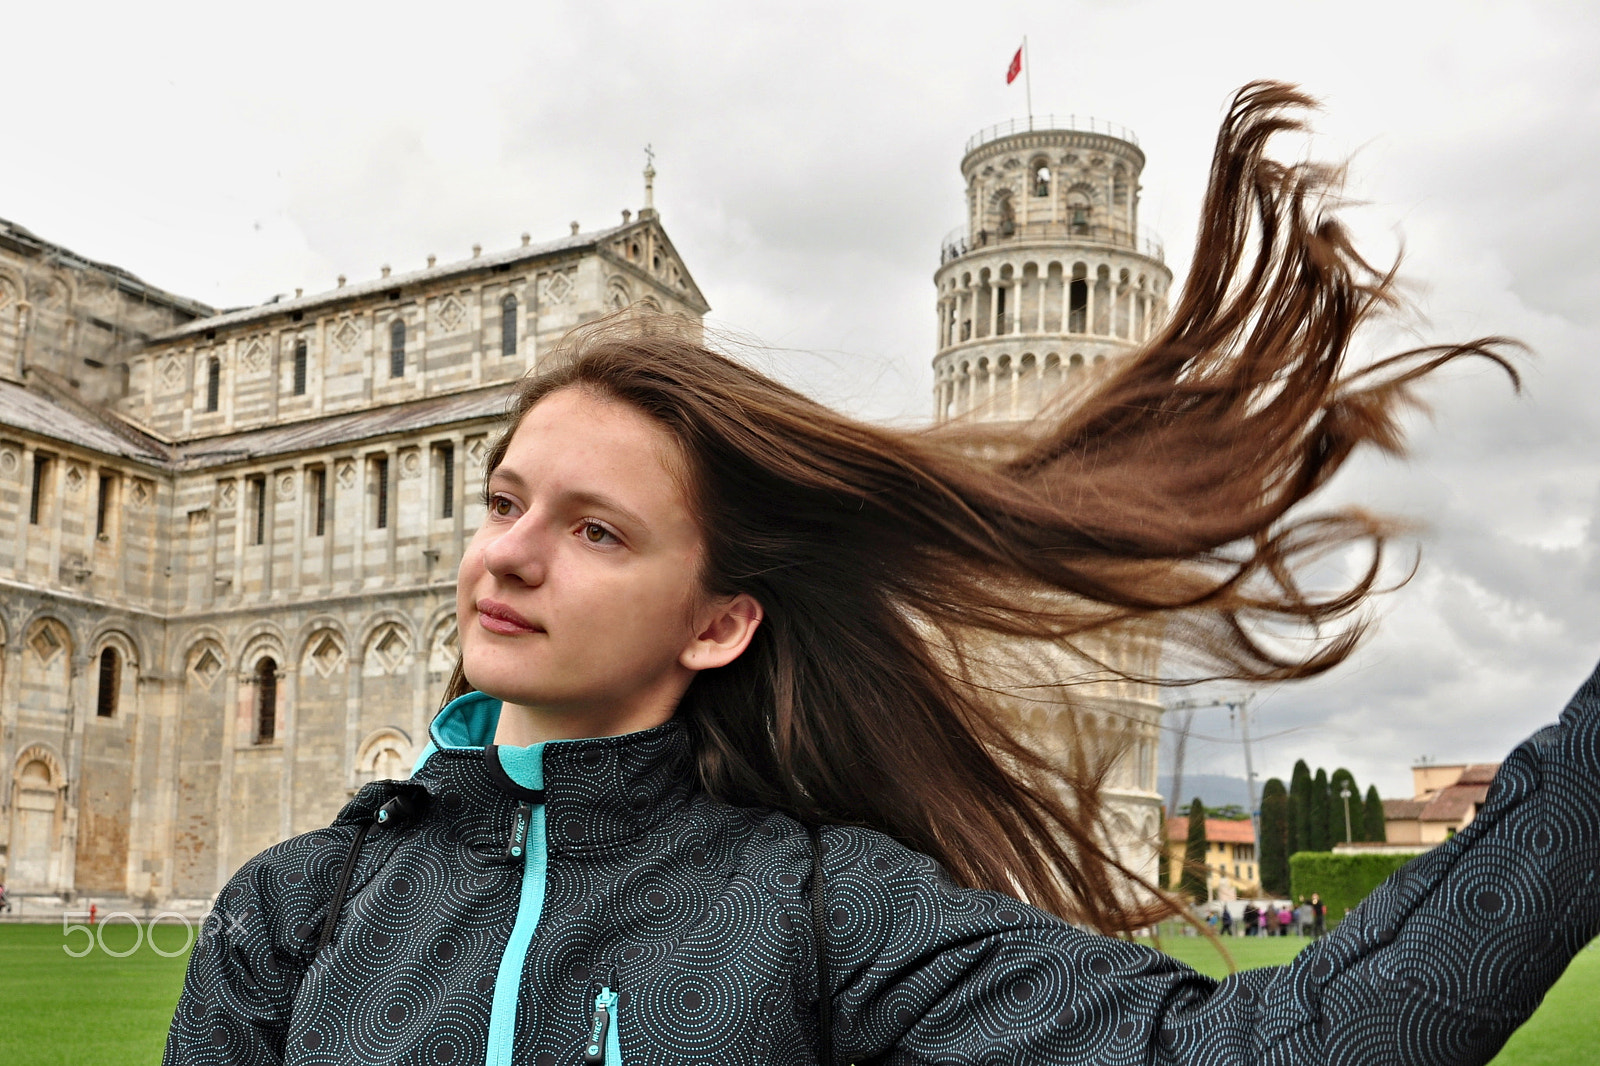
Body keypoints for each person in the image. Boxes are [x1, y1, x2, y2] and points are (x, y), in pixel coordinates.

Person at [165, 83, 1600, 1066]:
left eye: (598, 530)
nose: (512, 552)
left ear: (722, 619)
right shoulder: (297, 908)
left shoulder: (817, 907)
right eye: (504, 500)